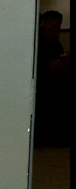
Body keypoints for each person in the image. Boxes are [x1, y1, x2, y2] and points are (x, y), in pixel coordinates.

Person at [35, 10, 70, 146]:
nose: (57, 32)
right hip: (44, 84)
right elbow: (47, 67)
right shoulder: (39, 42)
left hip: (55, 80)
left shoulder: (54, 41)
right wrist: (64, 59)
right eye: (54, 28)